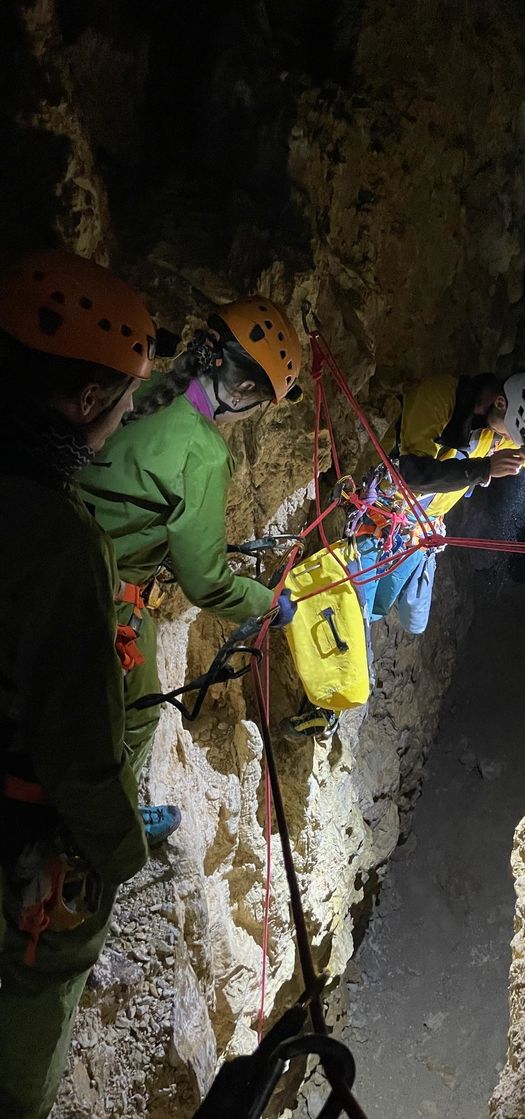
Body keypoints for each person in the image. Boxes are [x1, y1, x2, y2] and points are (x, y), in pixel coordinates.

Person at [280, 370, 525, 742]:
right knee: (352, 610)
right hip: (378, 517)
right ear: (500, 402)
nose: (506, 440)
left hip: (415, 533)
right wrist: (483, 469)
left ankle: (337, 683)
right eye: (508, 431)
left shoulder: (512, 434)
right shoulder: (439, 398)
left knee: (395, 615)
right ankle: (325, 704)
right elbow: (412, 472)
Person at [0, 250, 154, 1119]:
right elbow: (80, 750)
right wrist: (119, 848)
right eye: (121, 404)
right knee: (30, 997)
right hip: (16, 824)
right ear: (85, 402)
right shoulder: (60, 543)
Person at [77, 295, 302, 841]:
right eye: (259, 404)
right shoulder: (202, 452)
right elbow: (206, 582)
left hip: (69, 536)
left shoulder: (151, 387)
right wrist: (268, 605)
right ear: (245, 391)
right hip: (103, 585)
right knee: (138, 713)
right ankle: (110, 827)